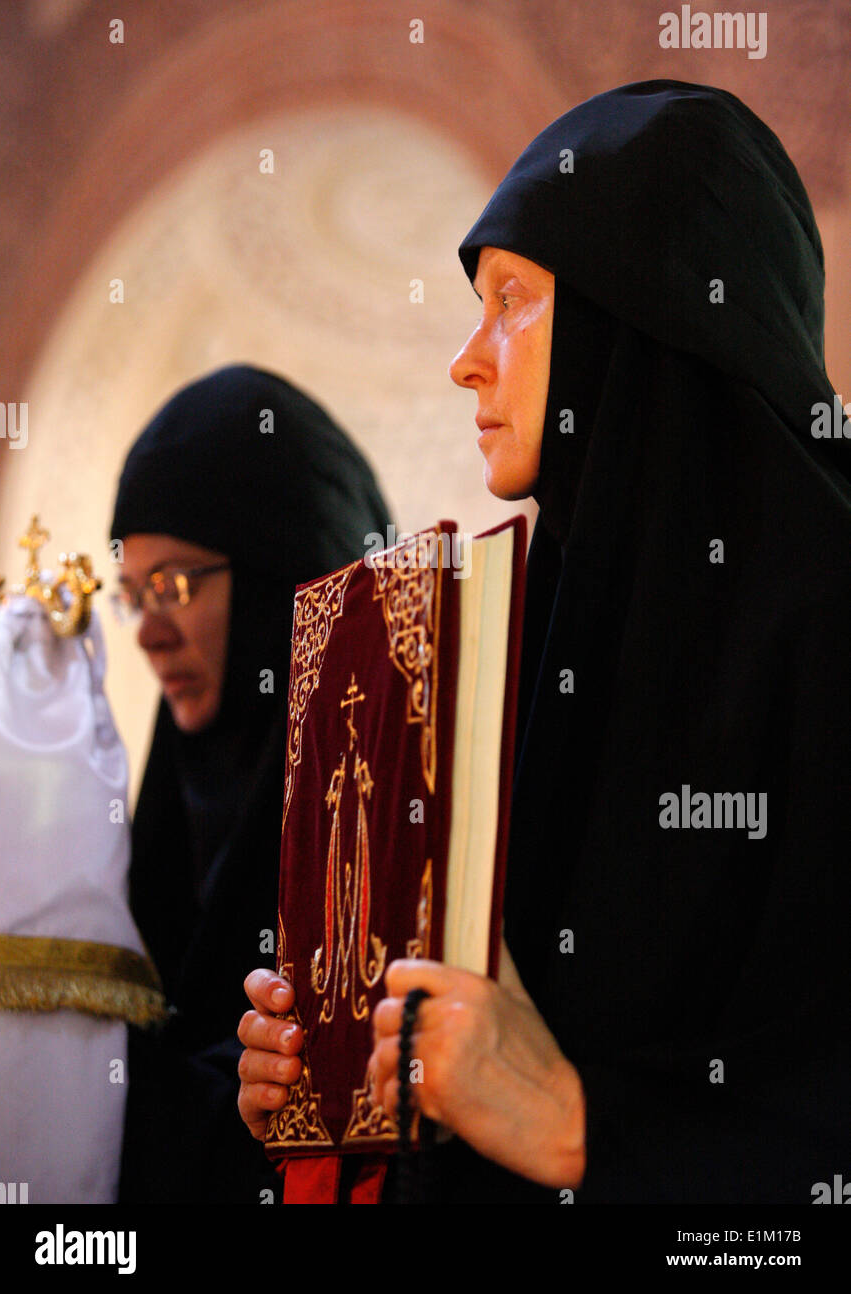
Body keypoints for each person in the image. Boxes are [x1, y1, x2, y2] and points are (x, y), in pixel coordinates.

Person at [237, 81, 851, 1202]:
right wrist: (342, 1080)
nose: (466, 359)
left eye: (512, 300)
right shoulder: (494, 640)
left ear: (646, 308)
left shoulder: (826, 615)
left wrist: (580, 1131)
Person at [110, 363, 391, 1203]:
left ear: (281, 578)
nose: (148, 635)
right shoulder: (168, 823)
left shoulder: (382, 820)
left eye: (173, 586)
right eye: (131, 595)